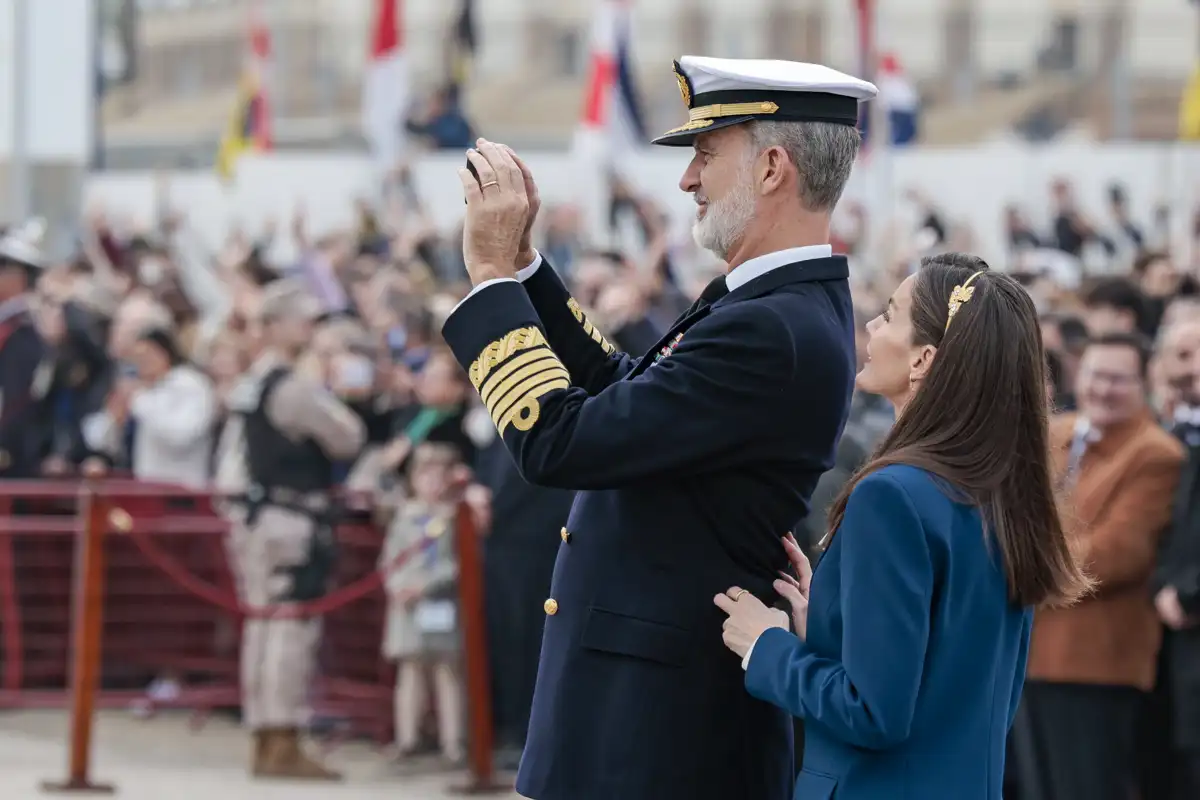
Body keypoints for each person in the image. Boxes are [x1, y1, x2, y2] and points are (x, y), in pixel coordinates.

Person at [441, 56, 877, 800]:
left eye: (707, 156)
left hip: (658, 737)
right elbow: (629, 392)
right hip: (641, 719)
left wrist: (487, 280)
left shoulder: (774, 326)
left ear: (773, 167)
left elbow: (560, 441)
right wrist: (525, 271)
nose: (687, 180)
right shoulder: (766, 305)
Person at [715, 254, 1091, 800]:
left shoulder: (892, 496)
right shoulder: (998, 494)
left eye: (889, 315)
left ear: (924, 359)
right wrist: (828, 626)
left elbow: (873, 713)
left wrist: (765, 645)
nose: (870, 326)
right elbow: (958, 684)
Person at [215, 279, 366, 780]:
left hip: (256, 517)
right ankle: (282, 737)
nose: (309, 328)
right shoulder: (291, 386)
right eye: (302, 319)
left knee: (263, 626)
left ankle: (265, 734)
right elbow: (347, 437)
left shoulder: (251, 383)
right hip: (290, 519)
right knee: (288, 628)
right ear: (276, 326)